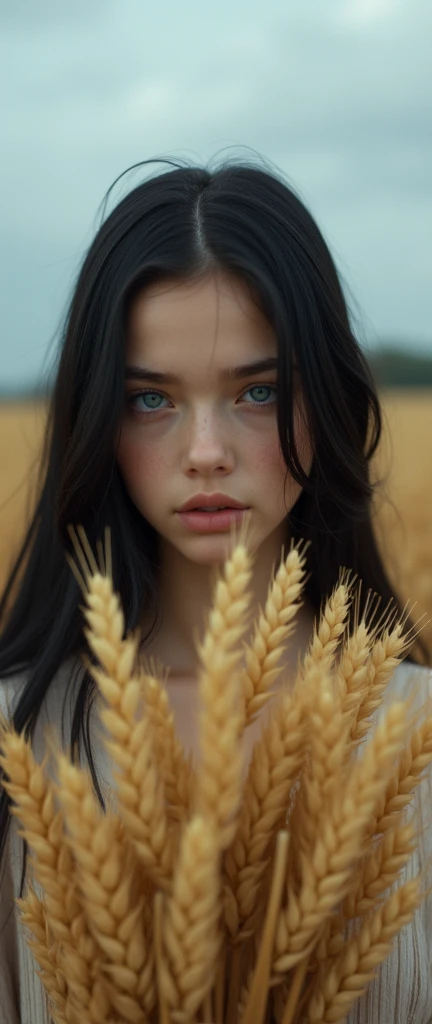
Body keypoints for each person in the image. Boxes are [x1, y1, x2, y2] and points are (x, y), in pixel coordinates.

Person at [0, 154, 431, 1023]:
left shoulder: (418, 738)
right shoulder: (17, 744)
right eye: (151, 401)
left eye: (259, 391)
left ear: (332, 404)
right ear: (97, 421)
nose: (206, 451)